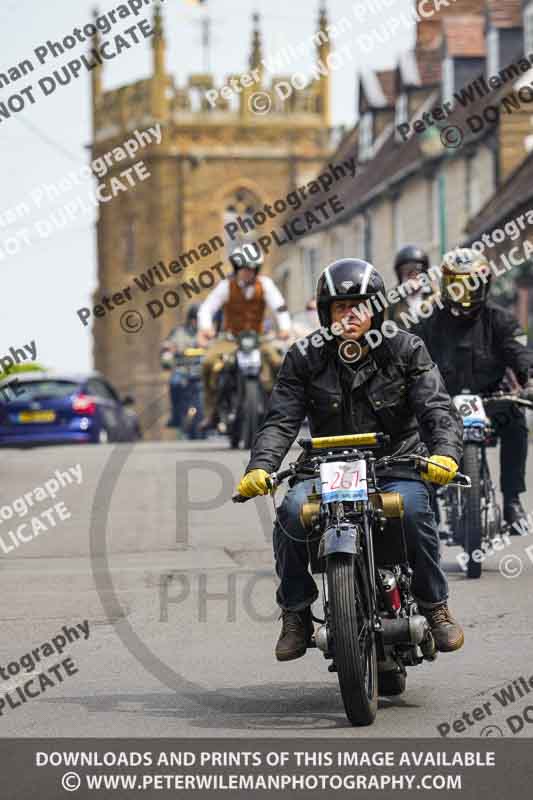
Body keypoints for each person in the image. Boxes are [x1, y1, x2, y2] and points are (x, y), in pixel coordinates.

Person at [235, 258, 465, 662]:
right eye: (341, 307)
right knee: (290, 511)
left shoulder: (406, 348)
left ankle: (434, 605)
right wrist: (261, 467)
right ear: (327, 313)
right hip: (327, 464)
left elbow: (437, 409)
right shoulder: (304, 356)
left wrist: (444, 454)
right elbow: (280, 420)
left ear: (376, 308)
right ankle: (296, 613)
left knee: (413, 509)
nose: (350, 315)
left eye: (359, 305)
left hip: (396, 462)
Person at [414, 247, 533, 529]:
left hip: (492, 400)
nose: (464, 294)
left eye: (472, 286)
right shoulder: (428, 322)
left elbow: (519, 352)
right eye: (457, 286)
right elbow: (408, 357)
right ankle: (428, 504)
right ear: (445, 286)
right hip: (441, 404)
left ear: (485, 285)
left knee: (516, 422)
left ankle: (513, 501)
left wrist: (529, 377)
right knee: (414, 436)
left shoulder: (500, 319)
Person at [197, 245, 291, 430]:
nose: (248, 272)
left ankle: (282, 411)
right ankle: (211, 413)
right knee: (208, 363)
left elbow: (280, 307)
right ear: (237, 268)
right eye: (244, 268)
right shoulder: (225, 286)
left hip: (258, 338)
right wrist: (206, 328)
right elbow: (206, 308)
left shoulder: (265, 284)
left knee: (278, 363)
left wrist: (285, 328)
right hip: (230, 339)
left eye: (252, 268)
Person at [160, 304, 201, 428]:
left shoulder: (208, 333)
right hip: (183, 370)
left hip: (202, 371)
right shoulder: (178, 332)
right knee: (174, 382)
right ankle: (176, 415)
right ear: (190, 319)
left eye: (199, 320)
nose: (197, 323)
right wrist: (168, 353)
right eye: (195, 320)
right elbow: (167, 347)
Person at [388, 245, 433, 328]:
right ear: (400, 275)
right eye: (407, 271)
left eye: (417, 271)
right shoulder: (391, 300)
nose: (413, 276)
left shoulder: (435, 295)